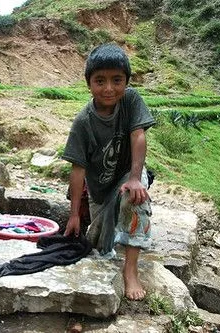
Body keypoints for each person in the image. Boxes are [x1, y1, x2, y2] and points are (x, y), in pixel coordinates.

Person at [62, 43, 155, 301]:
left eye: (117, 80)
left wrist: (136, 178)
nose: (109, 88)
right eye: (100, 81)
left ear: (126, 81)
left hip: (128, 174)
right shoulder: (83, 123)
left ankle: (131, 270)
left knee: (135, 199)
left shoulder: (131, 100)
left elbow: (138, 135)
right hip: (99, 192)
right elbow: (78, 169)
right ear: (88, 83)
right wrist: (73, 215)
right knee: (100, 246)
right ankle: (109, 238)